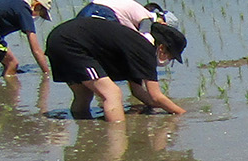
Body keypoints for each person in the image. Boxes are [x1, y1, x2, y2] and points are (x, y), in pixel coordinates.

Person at [43, 11, 189, 122]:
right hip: (71, 44)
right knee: (112, 93)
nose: (169, 60)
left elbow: (137, 91)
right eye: (171, 56)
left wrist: (159, 107)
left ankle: (84, 126)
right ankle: (117, 136)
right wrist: (181, 113)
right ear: (162, 48)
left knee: (84, 94)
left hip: (58, 38)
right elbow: (156, 96)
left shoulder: (135, 45)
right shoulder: (145, 50)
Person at [72, 0, 190, 116]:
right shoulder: (147, 22)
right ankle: (109, 108)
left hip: (88, 14)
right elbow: (142, 48)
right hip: (102, 13)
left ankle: (101, 105)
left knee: (97, 68)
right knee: (108, 85)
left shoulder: (136, 22)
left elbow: (132, 59)